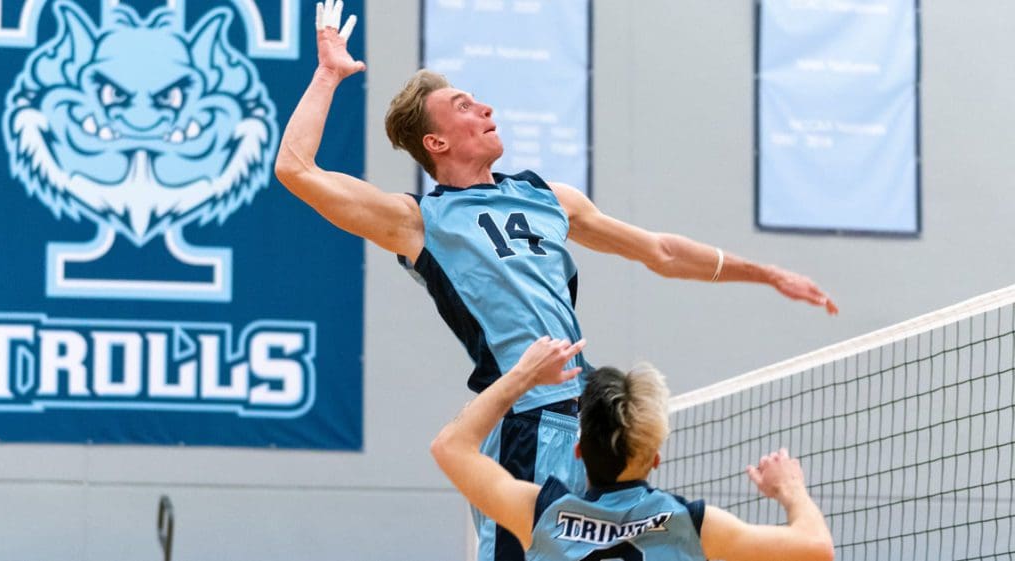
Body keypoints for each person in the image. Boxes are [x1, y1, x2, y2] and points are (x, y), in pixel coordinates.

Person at [275, 2, 838, 559]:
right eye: (464, 106)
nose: (486, 107)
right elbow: (295, 169)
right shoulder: (420, 221)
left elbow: (660, 251)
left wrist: (763, 273)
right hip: (524, 414)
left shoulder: (548, 198)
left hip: (589, 418)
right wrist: (328, 73)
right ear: (436, 143)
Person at [431, 336, 835, 561]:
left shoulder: (541, 514)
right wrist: (790, 488)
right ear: (655, 458)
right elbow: (817, 549)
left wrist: (523, 375)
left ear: (578, 451)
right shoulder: (690, 526)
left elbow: (451, 446)